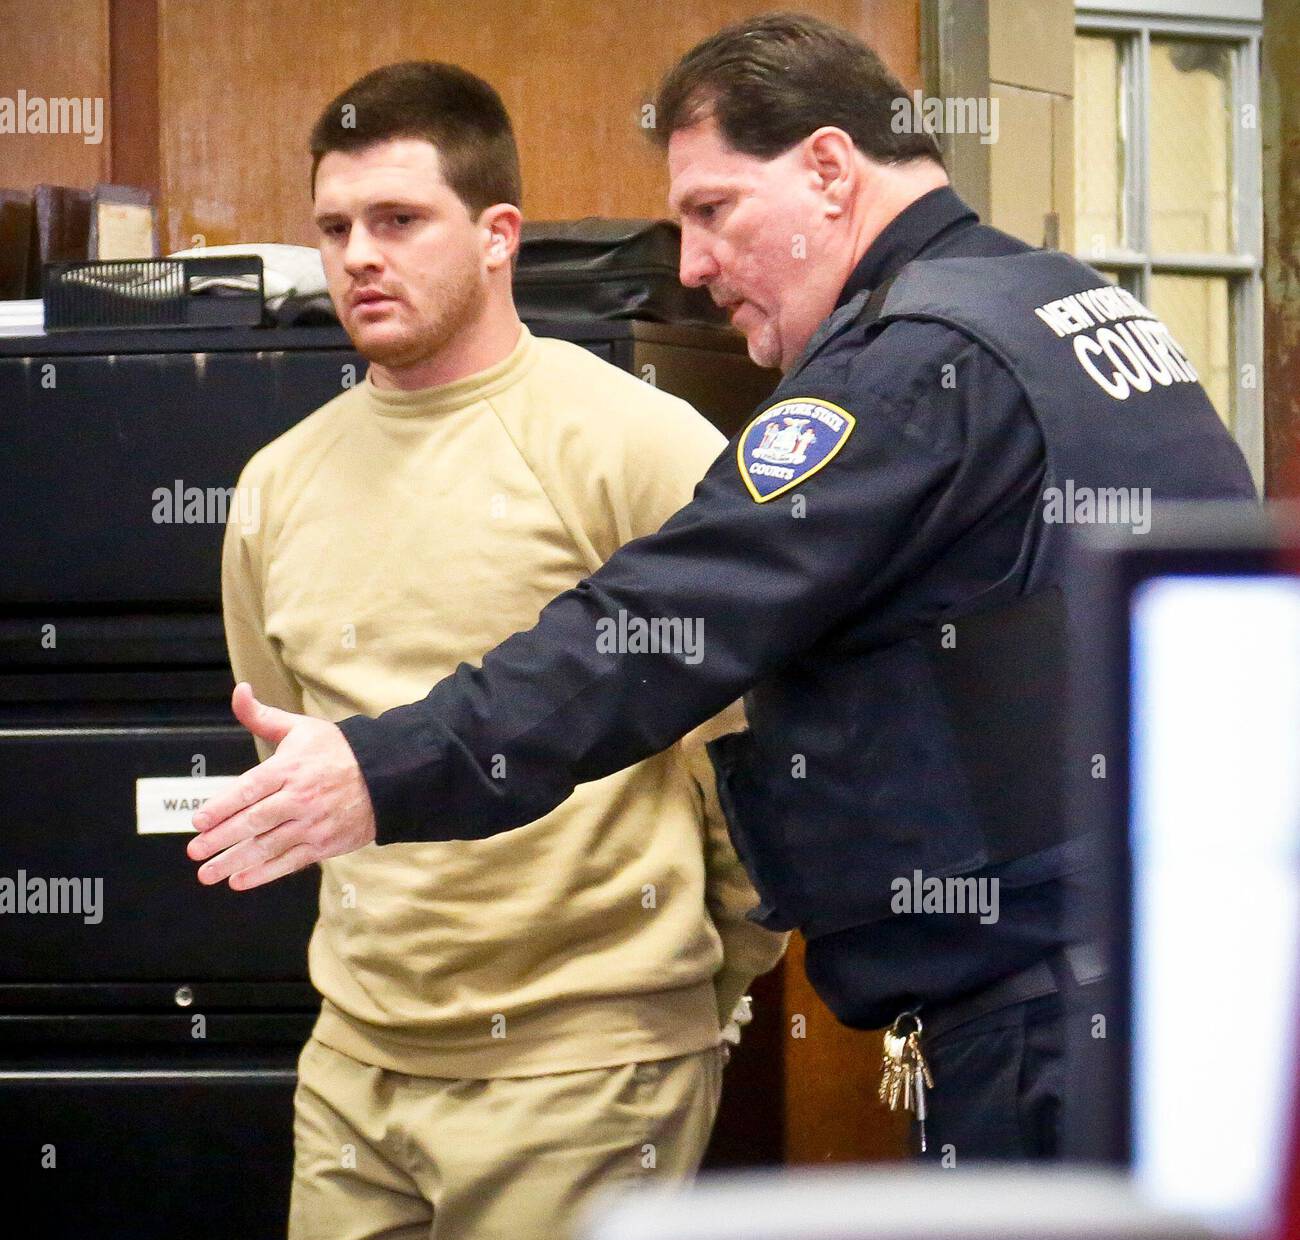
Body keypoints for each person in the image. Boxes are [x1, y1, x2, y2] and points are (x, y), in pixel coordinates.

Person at [190, 15, 1257, 1161]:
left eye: (713, 210)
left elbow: (655, 626)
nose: (692, 266)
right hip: (1182, 971)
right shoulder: (1071, 306)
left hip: (1052, 1018)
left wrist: (381, 766)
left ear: (831, 170)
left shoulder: (906, 370)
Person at [218, 60, 784, 1240]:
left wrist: (687, 989)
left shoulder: (635, 443)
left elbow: (751, 749)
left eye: (399, 221)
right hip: (358, 1058)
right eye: (335, 227)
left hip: (583, 1066)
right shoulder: (273, 485)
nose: (359, 255)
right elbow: (296, 754)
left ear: (497, 237)